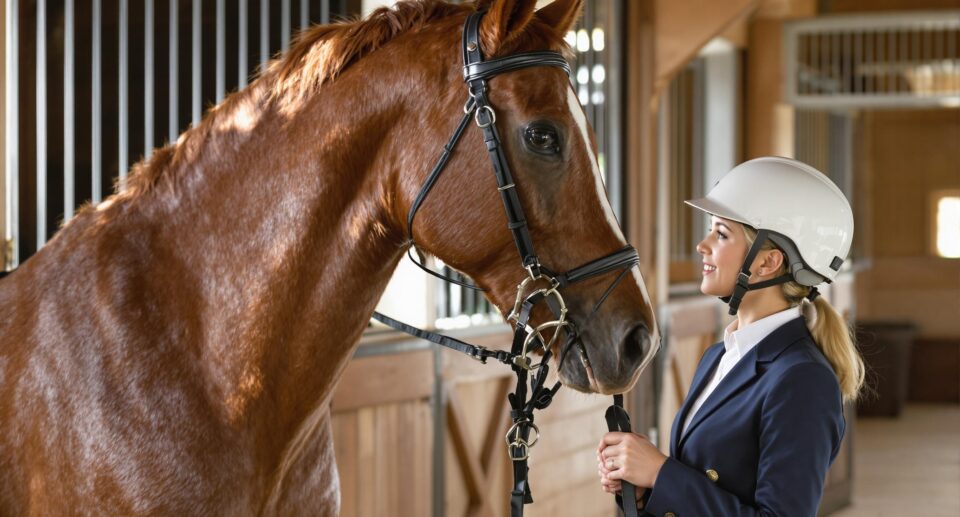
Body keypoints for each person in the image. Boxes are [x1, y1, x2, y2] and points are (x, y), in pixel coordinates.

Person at [597, 156, 865, 516]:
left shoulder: (802, 379)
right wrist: (645, 486)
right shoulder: (719, 355)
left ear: (768, 263)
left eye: (721, 233)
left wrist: (661, 473)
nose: (702, 245)